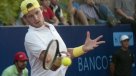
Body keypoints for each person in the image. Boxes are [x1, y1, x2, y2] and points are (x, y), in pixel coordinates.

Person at [20, 0, 105, 76]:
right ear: (25, 19)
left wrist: (83, 48)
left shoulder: (50, 26)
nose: (36, 18)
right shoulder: (30, 36)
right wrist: (63, 57)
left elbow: (64, 52)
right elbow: (52, 64)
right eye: (30, 16)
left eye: (37, 12)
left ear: (41, 9)